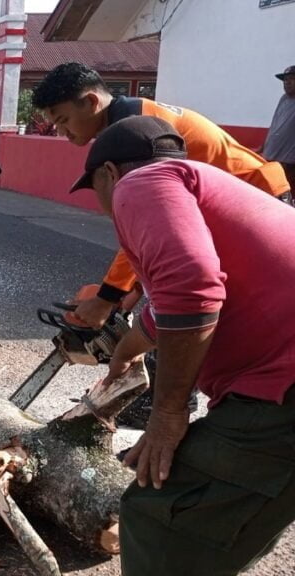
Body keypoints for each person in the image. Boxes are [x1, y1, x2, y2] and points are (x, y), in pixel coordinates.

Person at [74, 116, 295, 576]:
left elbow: (192, 288)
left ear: (109, 173)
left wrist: (168, 412)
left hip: (282, 388)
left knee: (160, 516)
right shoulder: (211, 187)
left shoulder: (141, 183)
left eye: (94, 188)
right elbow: (175, 302)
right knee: (230, 522)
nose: (101, 205)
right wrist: (126, 349)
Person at [32, 62, 291, 426]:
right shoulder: (129, 121)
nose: (61, 132)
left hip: (256, 198)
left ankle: (170, 410)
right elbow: (152, 238)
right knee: (172, 295)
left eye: (62, 120)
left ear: (90, 102)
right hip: (237, 202)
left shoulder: (136, 135)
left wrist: (107, 298)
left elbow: (151, 223)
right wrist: (124, 291)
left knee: (187, 305)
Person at [264, 65, 295, 191]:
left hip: (289, 162)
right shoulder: (283, 99)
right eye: (285, 79)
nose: (287, 82)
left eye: (292, 79)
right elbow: (275, 123)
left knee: (286, 194)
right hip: (272, 157)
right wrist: (263, 147)